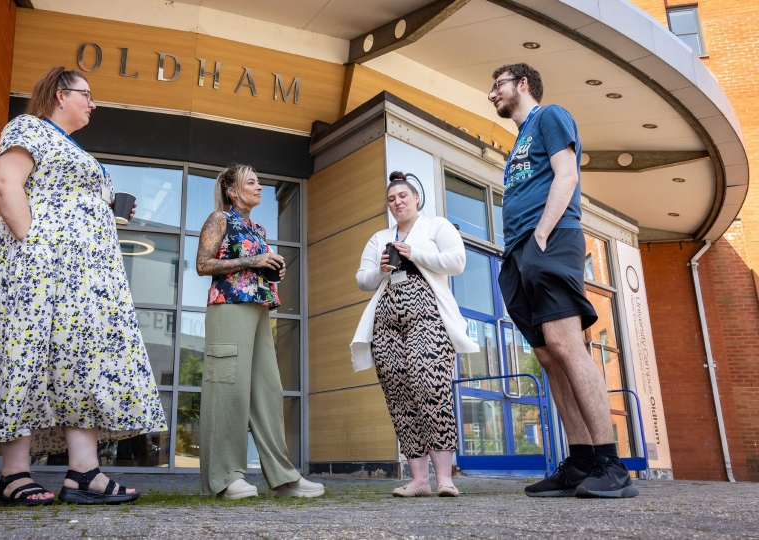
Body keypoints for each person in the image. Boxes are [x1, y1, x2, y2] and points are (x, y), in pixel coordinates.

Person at [0, 66, 166, 506]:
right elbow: (5, 183)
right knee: (25, 357)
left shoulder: (76, 150)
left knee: (80, 362)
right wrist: (32, 247)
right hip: (39, 270)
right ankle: (13, 476)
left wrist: (108, 211)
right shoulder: (29, 127)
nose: (93, 103)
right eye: (86, 95)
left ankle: (84, 474)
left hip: (83, 278)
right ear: (59, 94)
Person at [488, 62, 637, 498]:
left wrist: (540, 233)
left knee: (566, 343)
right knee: (549, 356)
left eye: (497, 85)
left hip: (549, 240)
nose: (492, 94)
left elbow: (567, 175)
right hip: (519, 252)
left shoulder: (549, 116)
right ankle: (581, 461)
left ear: (522, 84)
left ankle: (612, 465)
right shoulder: (517, 142)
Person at [195, 164, 324, 499]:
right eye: (251, 182)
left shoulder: (257, 228)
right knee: (228, 390)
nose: (260, 186)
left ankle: (283, 477)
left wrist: (271, 268)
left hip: (259, 310)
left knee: (268, 390)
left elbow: (253, 268)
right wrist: (251, 262)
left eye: (259, 181)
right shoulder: (219, 219)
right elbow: (203, 264)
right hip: (228, 309)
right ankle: (224, 477)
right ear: (232, 191)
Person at [351, 172, 480, 498]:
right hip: (387, 322)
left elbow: (456, 262)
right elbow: (363, 280)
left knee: (430, 387)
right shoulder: (379, 237)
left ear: (416, 198)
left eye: (403, 196)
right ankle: (418, 480)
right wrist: (381, 269)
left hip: (429, 318)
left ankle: (444, 478)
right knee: (399, 395)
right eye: (392, 199)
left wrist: (412, 253)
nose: (397, 202)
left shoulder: (436, 226)